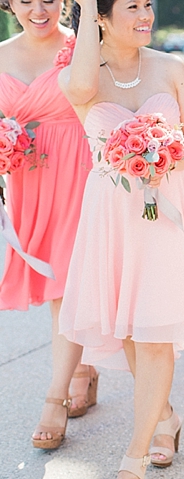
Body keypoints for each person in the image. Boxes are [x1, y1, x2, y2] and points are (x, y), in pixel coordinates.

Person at [58, 0, 184, 479]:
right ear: (101, 17)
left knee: (154, 338)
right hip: (114, 218)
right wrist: (86, 8)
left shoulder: (172, 67)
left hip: (167, 209)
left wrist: (164, 157)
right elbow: (81, 92)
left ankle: (132, 462)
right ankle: (167, 418)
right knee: (131, 332)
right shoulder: (81, 77)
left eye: (148, 3)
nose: (145, 13)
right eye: (130, 6)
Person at [0, 0, 101, 449]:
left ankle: (54, 399)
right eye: (26, 0)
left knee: (64, 283)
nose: (39, 9)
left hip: (77, 171)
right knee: (48, 282)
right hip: (26, 178)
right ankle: (82, 368)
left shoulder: (81, 48)